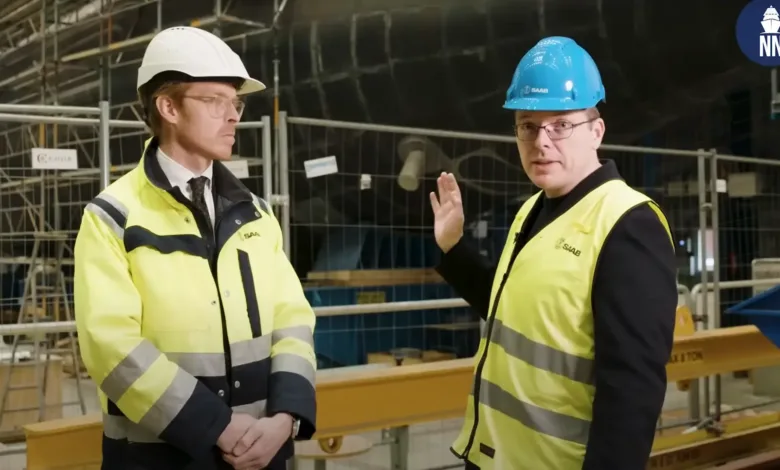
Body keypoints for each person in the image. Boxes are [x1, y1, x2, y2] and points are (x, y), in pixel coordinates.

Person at [73, 26, 317, 470]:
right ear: (168, 106)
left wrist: (286, 417)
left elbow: (293, 320)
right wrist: (216, 426)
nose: (233, 116)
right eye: (214, 102)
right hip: (160, 458)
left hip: (263, 452)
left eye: (236, 103)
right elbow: (111, 346)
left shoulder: (256, 213)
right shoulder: (113, 216)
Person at [429, 36, 678, 470]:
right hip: (495, 457)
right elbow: (511, 307)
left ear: (596, 130)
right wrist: (453, 246)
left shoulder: (627, 224)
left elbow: (632, 391)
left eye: (561, 124)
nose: (541, 141)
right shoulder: (533, 208)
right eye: (527, 125)